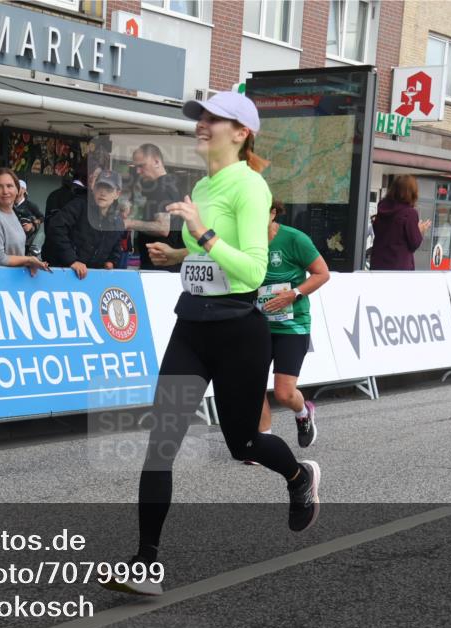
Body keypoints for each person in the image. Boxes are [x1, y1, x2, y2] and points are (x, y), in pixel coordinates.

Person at [103, 92, 320, 596]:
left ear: (241, 133)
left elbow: (252, 270)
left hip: (239, 331)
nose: (201, 125)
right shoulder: (202, 183)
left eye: (213, 119)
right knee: (161, 446)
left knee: (243, 442)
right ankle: (145, 565)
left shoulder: (251, 186)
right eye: (200, 118)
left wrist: (199, 235)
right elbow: (211, 259)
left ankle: (297, 476)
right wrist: (177, 253)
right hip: (192, 327)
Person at [256, 200, 330, 449]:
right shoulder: (243, 241)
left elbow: (322, 273)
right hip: (257, 325)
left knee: (284, 393)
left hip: (292, 325)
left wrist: (294, 293)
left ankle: (303, 412)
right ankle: (263, 442)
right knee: (252, 386)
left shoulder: (294, 239)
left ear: (273, 213)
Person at [42, 169, 125, 279]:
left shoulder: (118, 221)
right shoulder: (79, 205)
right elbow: (56, 227)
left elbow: (117, 244)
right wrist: (72, 260)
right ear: (94, 188)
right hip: (63, 272)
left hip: (92, 277)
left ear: (117, 194)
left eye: (108, 189)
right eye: (100, 187)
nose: (103, 192)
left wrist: (112, 261)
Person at [0, 167, 49, 273]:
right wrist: (28, 260)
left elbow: (14, 255)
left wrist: (29, 263)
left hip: (10, 284)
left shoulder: (14, 213)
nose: (5, 191)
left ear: (18, 190)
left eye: (9, 186)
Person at [124, 143, 185, 272]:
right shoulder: (172, 184)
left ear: (157, 162)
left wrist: (130, 223)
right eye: (136, 167)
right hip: (168, 265)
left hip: (159, 267)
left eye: (141, 166)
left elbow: (163, 228)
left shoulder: (160, 188)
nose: (138, 171)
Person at [369, 175, 431, 270]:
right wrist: (420, 230)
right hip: (398, 269)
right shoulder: (409, 213)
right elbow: (414, 244)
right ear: (412, 193)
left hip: (377, 264)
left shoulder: (382, 208)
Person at [14, 179, 44, 258]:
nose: (15, 189)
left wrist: (32, 224)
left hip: (26, 241)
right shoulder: (10, 204)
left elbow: (41, 218)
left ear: (24, 190)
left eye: (18, 187)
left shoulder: (30, 205)